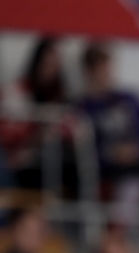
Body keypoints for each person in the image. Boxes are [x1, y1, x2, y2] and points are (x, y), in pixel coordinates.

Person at [78, 42, 139, 225]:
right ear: (88, 73)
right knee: (132, 188)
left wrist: (138, 149)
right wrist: (113, 154)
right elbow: (85, 150)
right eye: (100, 70)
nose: (106, 75)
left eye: (107, 69)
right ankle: (125, 237)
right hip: (115, 170)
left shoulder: (130, 99)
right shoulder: (83, 109)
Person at [0, 36, 79, 197]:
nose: (51, 71)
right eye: (47, 64)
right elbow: (7, 133)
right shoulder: (17, 91)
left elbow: (72, 128)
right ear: (37, 62)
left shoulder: (61, 95)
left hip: (52, 160)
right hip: (21, 163)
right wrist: (36, 133)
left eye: (55, 66)